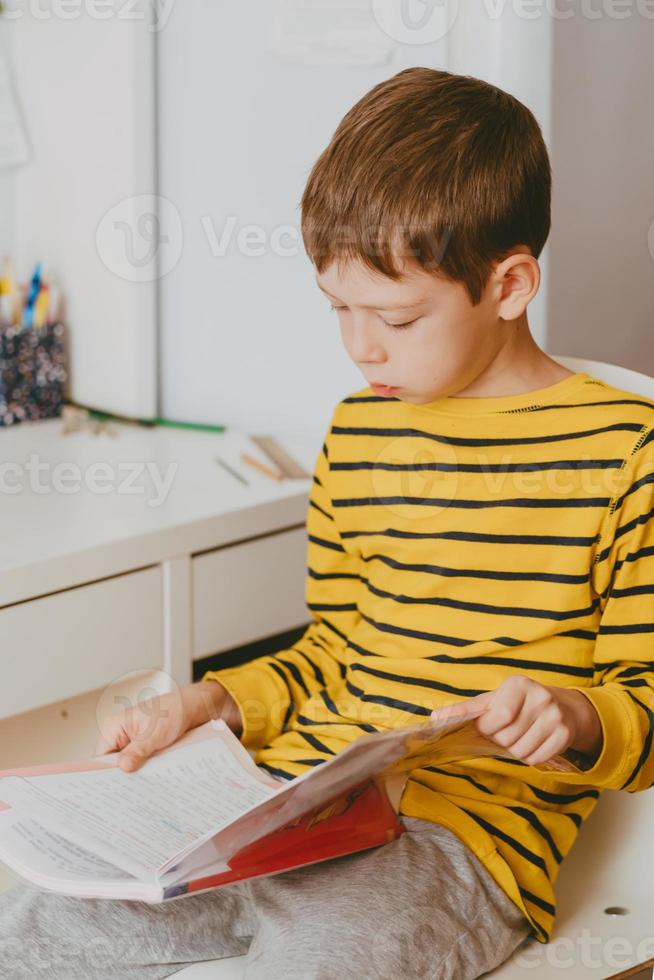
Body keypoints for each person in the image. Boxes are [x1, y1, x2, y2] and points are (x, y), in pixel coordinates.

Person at [2, 67, 653, 980]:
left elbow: (645, 701)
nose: (360, 347)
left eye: (393, 316)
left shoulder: (627, 451)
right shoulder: (362, 429)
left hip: (457, 839)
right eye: (338, 308)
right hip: (281, 803)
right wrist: (213, 700)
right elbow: (333, 652)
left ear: (509, 284)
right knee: (26, 926)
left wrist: (575, 713)